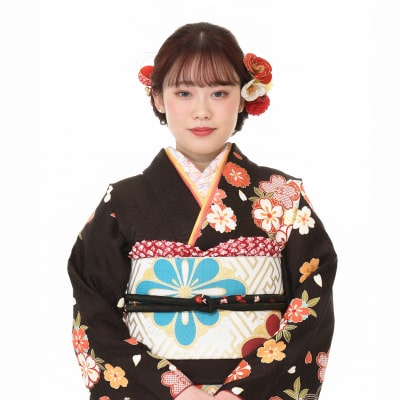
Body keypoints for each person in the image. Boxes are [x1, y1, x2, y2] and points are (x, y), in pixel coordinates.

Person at [68, 22, 337, 400]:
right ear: (158, 98)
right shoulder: (123, 201)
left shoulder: (282, 197)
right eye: (184, 92)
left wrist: (239, 392)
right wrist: (177, 390)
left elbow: (312, 306)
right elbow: (94, 310)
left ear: (243, 97)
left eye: (219, 92)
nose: (201, 111)